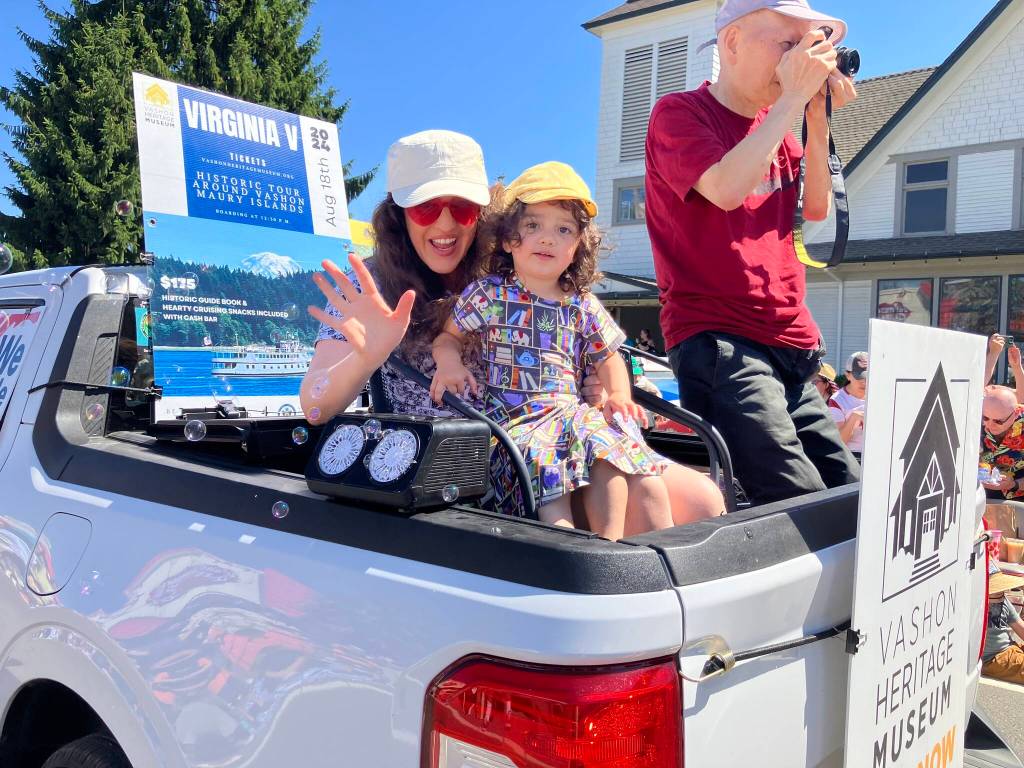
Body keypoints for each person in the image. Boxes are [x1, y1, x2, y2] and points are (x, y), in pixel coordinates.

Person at [643, 0, 860, 504]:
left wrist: (815, 114)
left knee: (850, 497)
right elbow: (724, 188)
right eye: (787, 43)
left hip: (790, 345)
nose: (799, 60)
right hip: (721, 341)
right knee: (798, 499)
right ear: (733, 42)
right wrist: (792, 101)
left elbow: (818, 209)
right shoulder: (678, 113)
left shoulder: (780, 134)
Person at [431, 162, 720, 539]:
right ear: (507, 238)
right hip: (515, 419)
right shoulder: (490, 294)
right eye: (532, 225)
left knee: (624, 465)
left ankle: (618, 549)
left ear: (577, 246)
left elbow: (609, 355)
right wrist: (449, 363)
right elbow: (447, 338)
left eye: (563, 229)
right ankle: (573, 546)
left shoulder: (580, 302)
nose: (547, 238)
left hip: (570, 413)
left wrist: (618, 394)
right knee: (556, 478)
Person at [301, 130, 492, 423]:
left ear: (481, 214)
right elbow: (316, 407)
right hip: (424, 463)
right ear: (398, 214)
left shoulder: (507, 276)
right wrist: (365, 358)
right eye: (425, 208)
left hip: (516, 461)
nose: (445, 224)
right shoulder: (368, 282)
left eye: (462, 208)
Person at [981, 562, 1024, 685]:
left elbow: (1020, 627)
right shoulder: (976, 607)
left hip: (1011, 649)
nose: (1002, 591)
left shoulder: (1004, 601)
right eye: (997, 589)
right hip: (994, 658)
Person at [981, 385, 1024, 500]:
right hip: (980, 492)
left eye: (998, 421)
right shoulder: (974, 418)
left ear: (1015, 414)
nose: (989, 425)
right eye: (985, 418)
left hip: (1018, 495)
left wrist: (1014, 484)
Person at [828, 352, 867, 455]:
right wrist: (854, 418)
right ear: (847, 375)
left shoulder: (881, 396)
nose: (864, 382)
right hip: (851, 456)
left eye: (868, 377)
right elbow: (839, 443)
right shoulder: (837, 400)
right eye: (859, 377)